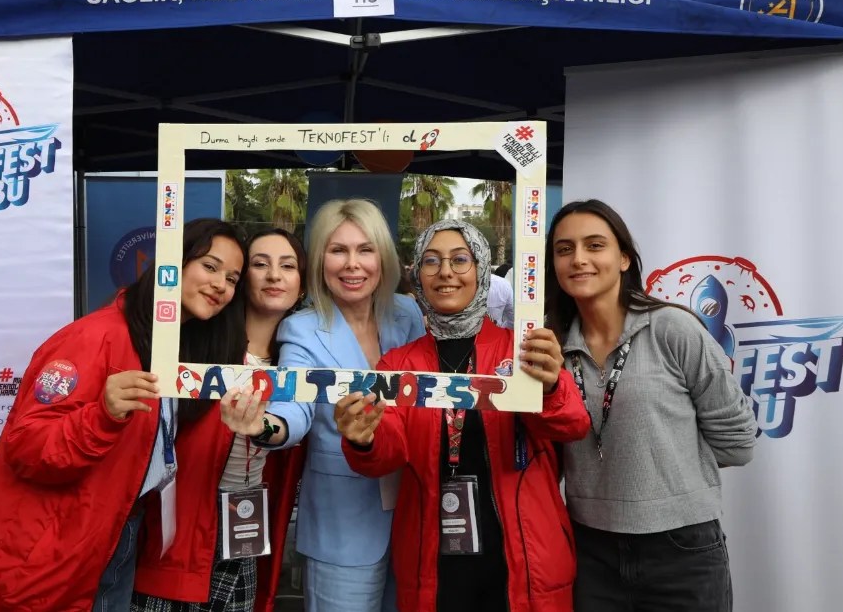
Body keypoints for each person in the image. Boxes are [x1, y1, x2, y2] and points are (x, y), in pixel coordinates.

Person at [0, 218, 248, 612]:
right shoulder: (94, 337)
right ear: (172, 263)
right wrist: (102, 416)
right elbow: (27, 448)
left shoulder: (178, 350)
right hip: (49, 552)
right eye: (210, 267)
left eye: (232, 279)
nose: (220, 285)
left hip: (118, 535)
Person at [335, 220, 591, 612]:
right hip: (433, 560)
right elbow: (387, 454)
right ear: (417, 275)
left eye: (460, 259)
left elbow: (572, 425)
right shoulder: (398, 364)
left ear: (482, 270)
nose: (445, 272)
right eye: (431, 261)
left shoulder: (523, 351)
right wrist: (362, 438)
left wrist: (551, 387)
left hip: (526, 557)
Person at [545, 199, 757, 612]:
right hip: (589, 551)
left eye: (595, 245)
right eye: (564, 249)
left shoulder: (672, 329)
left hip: (682, 550)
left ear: (624, 258)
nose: (579, 259)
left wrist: (667, 467)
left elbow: (738, 444)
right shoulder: (551, 347)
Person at [247, 199, 426, 612]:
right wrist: (263, 426)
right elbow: (292, 408)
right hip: (342, 525)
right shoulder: (302, 329)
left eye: (365, 249)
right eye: (338, 250)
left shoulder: (408, 313)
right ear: (319, 260)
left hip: (416, 516)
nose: (352, 264)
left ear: (383, 257)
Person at [130, 228, 307, 612]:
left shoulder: (298, 357)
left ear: (303, 284)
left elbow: (292, 422)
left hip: (247, 519)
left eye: (288, 266)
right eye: (260, 264)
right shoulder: (199, 339)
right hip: (181, 525)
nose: (274, 275)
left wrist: (262, 427)